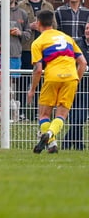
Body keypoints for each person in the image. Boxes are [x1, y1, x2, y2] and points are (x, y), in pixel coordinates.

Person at [27, 9, 87, 154]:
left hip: (52, 76)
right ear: (52, 22)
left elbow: (38, 69)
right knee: (61, 114)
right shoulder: (66, 37)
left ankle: (48, 136)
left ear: (38, 23)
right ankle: (52, 142)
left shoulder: (38, 42)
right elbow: (83, 63)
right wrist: (76, 80)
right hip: (71, 76)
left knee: (44, 114)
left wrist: (32, 89)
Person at [55, 0, 89, 150]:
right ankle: (74, 142)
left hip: (82, 53)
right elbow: (57, 32)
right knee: (71, 104)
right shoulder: (60, 11)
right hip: (66, 55)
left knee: (81, 106)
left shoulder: (87, 13)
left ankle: (70, 141)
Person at [69, 22, 89, 150]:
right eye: (87, 28)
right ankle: (78, 145)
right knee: (75, 118)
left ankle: (68, 143)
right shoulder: (76, 43)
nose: (88, 31)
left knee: (80, 118)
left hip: (86, 88)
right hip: (76, 86)